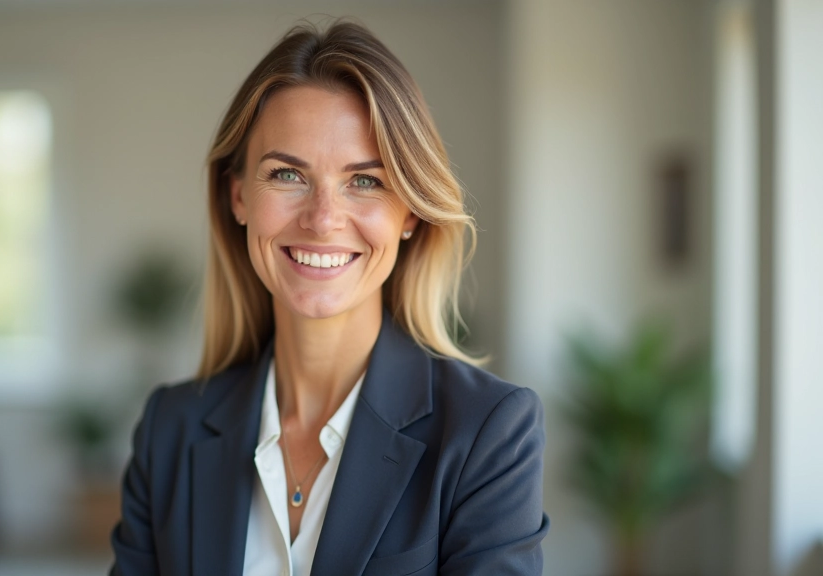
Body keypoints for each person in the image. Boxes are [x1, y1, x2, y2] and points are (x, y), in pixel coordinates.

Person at [111, 20, 549, 575]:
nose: (322, 219)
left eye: (365, 180)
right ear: (238, 195)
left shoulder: (487, 432)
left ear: (410, 210)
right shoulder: (169, 430)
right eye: (287, 174)